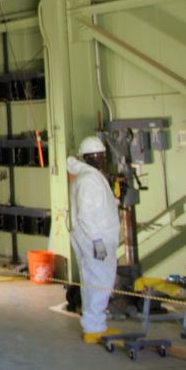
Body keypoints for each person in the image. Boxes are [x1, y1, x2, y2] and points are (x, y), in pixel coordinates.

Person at [67, 135, 120, 343]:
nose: (101, 160)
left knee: (93, 281)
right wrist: (97, 240)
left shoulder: (89, 177)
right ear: (89, 158)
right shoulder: (89, 179)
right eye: (98, 156)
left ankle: (93, 325)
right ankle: (94, 327)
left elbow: (94, 207)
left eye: (102, 156)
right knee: (100, 281)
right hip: (94, 239)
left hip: (91, 237)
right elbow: (86, 214)